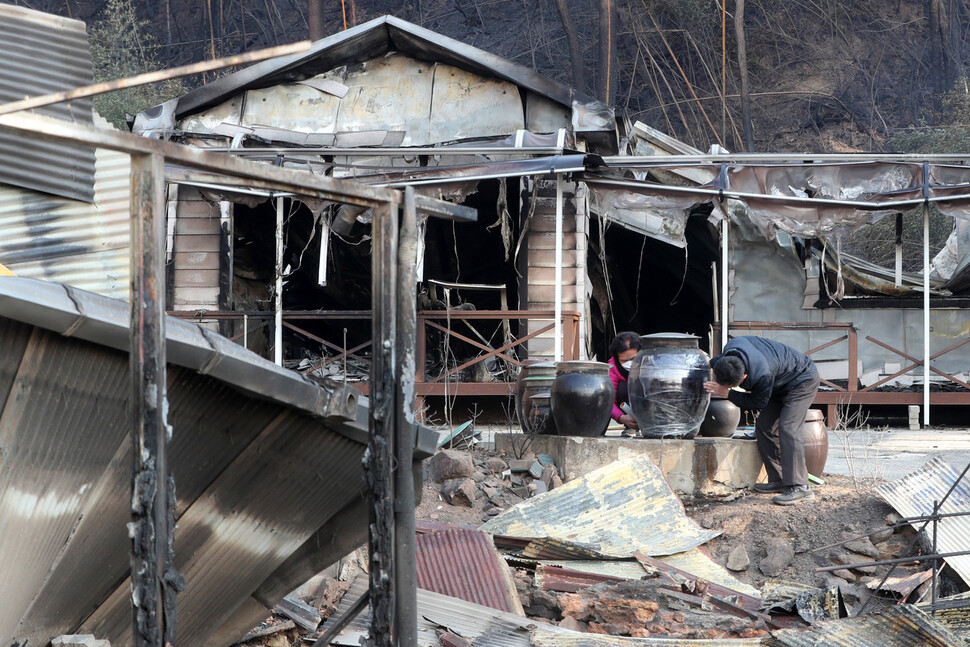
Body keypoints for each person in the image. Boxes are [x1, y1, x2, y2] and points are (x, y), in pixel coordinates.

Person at [703, 336, 820, 505]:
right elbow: (715, 362)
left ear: (744, 377)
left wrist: (728, 394)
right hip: (779, 381)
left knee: (788, 427)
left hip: (802, 380)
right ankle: (779, 479)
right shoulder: (730, 353)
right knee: (765, 426)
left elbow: (757, 402)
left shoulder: (762, 374)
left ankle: (800, 487)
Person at [608, 331, 643, 435]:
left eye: (633, 359)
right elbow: (608, 400)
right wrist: (621, 417)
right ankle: (630, 426)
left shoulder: (651, 363)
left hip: (650, 408)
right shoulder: (612, 368)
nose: (630, 364)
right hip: (629, 411)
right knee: (623, 387)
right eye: (624, 361)